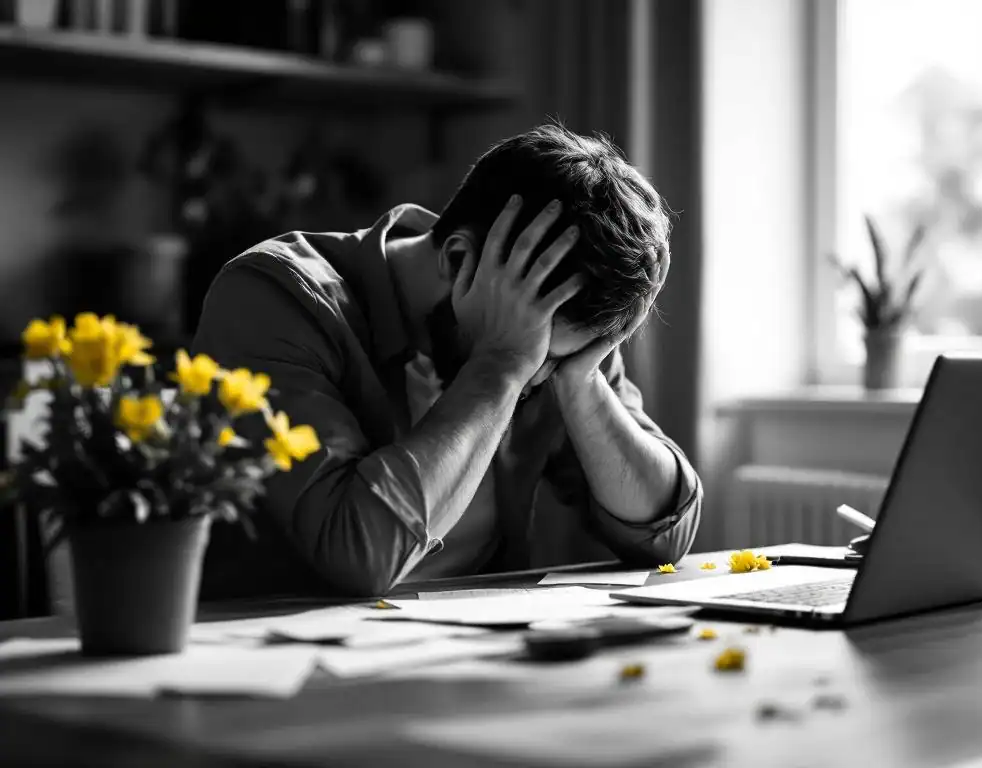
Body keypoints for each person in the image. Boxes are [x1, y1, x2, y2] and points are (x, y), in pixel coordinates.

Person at [191, 124, 702, 598]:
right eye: (540, 358)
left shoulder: (558, 340)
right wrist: (502, 364)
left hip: (462, 650)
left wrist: (583, 378)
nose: (540, 374)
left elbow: (664, 534)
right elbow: (358, 551)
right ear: (459, 262)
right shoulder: (275, 298)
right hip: (274, 657)